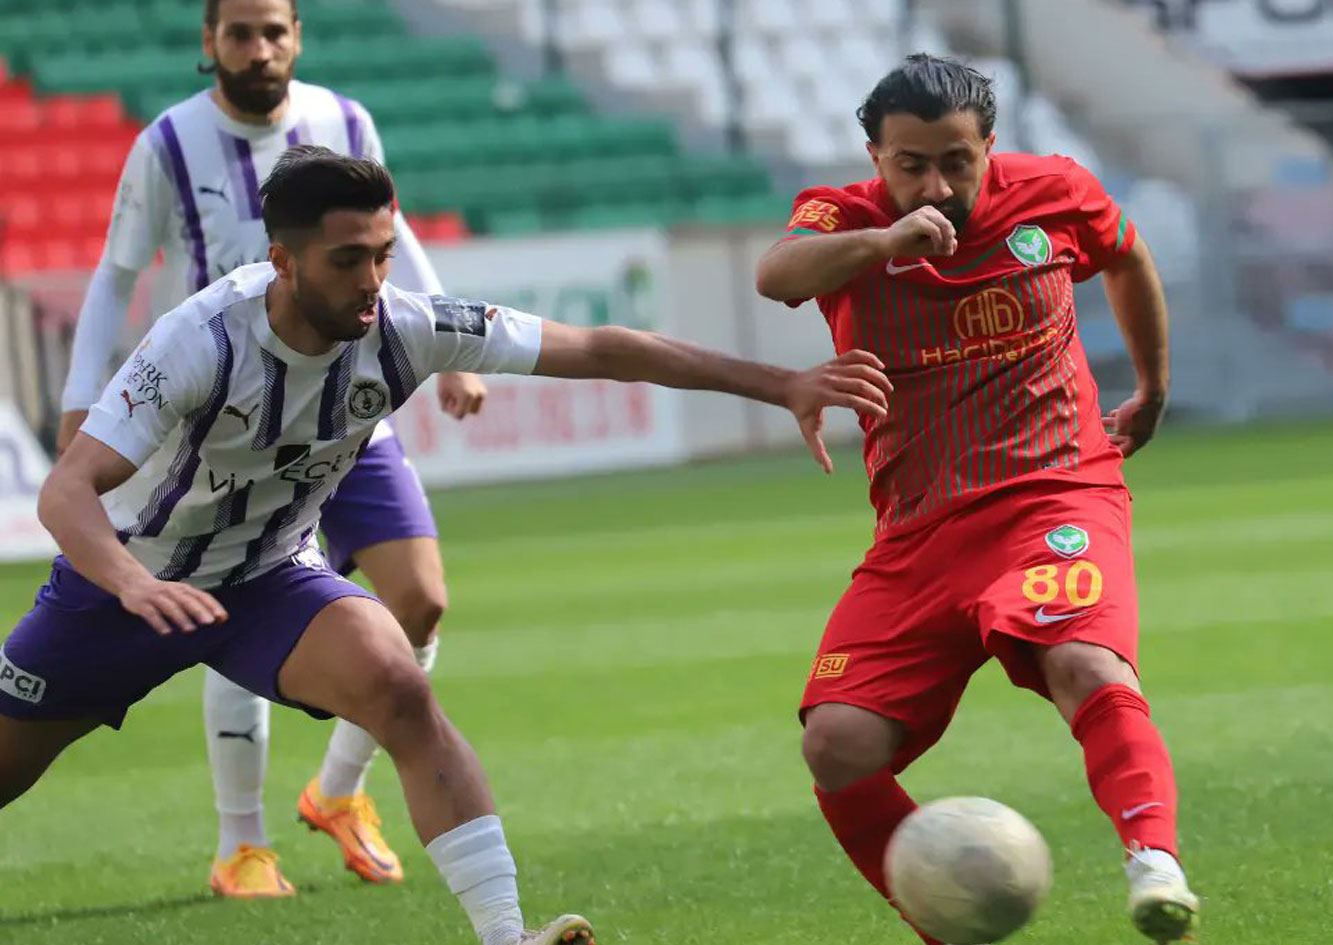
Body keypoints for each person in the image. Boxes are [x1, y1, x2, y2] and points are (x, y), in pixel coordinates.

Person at [0, 145, 891, 945]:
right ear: (283, 260)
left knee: (400, 687)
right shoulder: (199, 339)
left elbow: (600, 347)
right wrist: (131, 585)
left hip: (268, 578)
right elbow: (66, 489)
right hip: (124, 584)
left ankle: (505, 935)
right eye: (347, 260)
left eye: (382, 254)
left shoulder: (406, 326)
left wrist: (781, 383)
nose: (371, 280)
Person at [754, 54, 1200, 944]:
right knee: (836, 745)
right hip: (917, 531)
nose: (936, 185)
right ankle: (947, 925)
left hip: (1055, 493)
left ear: (989, 145)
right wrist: (884, 244)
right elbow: (779, 274)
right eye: (911, 164)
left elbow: (1125, 254)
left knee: (1085, 663)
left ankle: (1154, 860)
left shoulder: (1054, 191)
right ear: (876, 158)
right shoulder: (843, 218)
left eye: (957, 161)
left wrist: (1151, 386)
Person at [55, 0, 491, 895]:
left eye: (274, 31)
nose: (259, 49)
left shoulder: (345, 120)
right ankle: (243, 845)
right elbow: (116, 273)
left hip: (345, 403)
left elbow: (392, 230)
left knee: (420, 599)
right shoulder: (167, 144)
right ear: (209, 41)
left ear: (297, 35)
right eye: (241, 33)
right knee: (237, 599)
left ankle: (337, 790)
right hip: (228, 422)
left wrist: (450, 345)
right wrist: (78, 399)